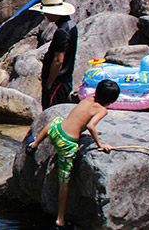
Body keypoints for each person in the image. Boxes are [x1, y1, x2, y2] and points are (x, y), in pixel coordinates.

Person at [26, 80, 120, 230]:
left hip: (56, 131)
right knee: (64, 181)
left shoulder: (89, 98)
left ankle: (34, 144)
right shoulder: (102, 110)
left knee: (56, 120)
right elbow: (90, 126)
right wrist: (100, 145)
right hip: (66, 143)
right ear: (112, 100)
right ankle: (60, 220)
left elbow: (79, 117)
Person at [33, 0, 78, 109]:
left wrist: (49, 83)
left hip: (57, 82)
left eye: (47, 12)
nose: (45, 15)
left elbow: (58, 61)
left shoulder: (61, 32)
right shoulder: (71, 25)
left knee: (51, 114)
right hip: (65, 80)